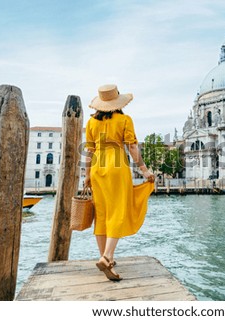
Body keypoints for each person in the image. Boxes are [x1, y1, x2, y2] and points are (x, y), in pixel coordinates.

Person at [84, 84, 155, 281]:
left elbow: (89, 151)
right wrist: (144, 169)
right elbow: (132, 147)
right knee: (117, 211)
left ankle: (107, 258)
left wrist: (87, 175)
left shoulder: (91, 123)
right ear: (117, 102)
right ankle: (107, 257)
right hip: (117, 167)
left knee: (102, 213)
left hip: (98, 167)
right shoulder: (124, 120)